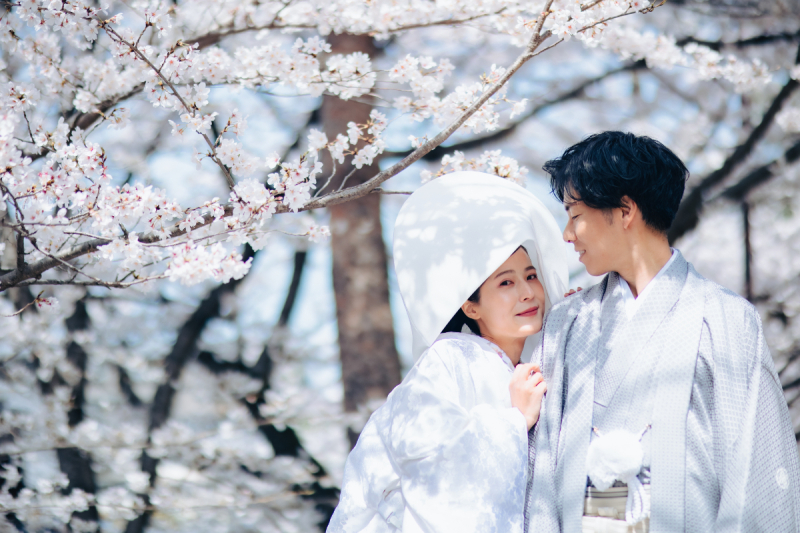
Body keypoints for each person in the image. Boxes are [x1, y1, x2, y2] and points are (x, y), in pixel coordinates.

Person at [525, 132, 800, 533]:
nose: (567, 234)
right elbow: (542, 463)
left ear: (624, 211)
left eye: (575, 214)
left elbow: (755, 467)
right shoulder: (567, 322)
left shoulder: (724, 318)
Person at [327, 171, 568, 533]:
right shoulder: (449, 359)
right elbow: (426, 457)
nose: (527, 293)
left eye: (530, 276)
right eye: (505, 282)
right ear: (471, 307)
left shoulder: (538, 362)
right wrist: (512, 423)